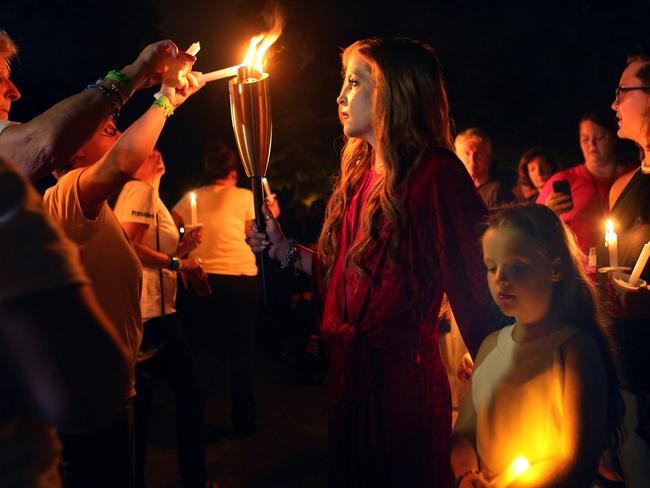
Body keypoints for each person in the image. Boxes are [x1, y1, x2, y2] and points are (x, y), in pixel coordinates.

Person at [246, 38, 495, 486]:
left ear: (395, 93)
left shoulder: (437, 175)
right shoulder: (359, 177)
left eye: (355, 82)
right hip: (349, 388)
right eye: (344, 82)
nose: (341, 96)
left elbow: (481, 284)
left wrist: (501, 375)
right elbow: (344, 276)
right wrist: (285, 251)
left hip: (404, 394)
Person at [43, 69, 202, 487]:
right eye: (106, 129)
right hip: (88, 399)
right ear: (72, 154)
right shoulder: (66, 197)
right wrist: (165, 99)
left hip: (108, 391)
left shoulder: (96, 210)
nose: (115, 133)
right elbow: (122, 161)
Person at [450, 204, 624, 487]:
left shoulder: (574, 348)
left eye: (516, 267)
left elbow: (575, 460)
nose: (500, 279)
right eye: (491, 267)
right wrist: (467, 475)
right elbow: (464, 434)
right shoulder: (490, 347)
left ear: (555, 268)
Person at [0, 155, 130, 487]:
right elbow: (85, 390)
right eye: (107, 128)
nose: (14, 97)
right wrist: (165, 102)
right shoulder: (68, 188)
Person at [113, 148, 216, 488]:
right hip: (150, 315)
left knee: (152, 405)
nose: (155, 151)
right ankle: (192, 478)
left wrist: (184, 249)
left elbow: (153, 252)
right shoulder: (139, 189)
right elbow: (129, 245)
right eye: (145, 151)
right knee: (182, 399)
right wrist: (178, 264)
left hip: (158, 311)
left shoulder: (150, 195)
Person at [0, 29, 192, 181]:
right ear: (78, 147)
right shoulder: (69, 190)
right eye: (105, 128)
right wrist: (136, 73)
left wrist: (166, 99)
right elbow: (42, 143)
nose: (15, 93)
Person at [172, 141, 271, 438]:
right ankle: (244, 421)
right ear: (232, 172)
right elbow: (252, 232)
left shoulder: (192, 198)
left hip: (203, 275)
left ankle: (194, 419)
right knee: (241, 351)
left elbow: (172, 225)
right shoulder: (243, 196)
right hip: (240, 276)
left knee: (205, 351)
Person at [607, 48, 650, 487]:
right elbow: (612, 263)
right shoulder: (623, 185)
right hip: (628, 364)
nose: (615, 104)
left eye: (624, 91)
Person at [537, 112, 628, 258]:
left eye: (599, 138)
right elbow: (532, 228)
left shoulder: (632, 177)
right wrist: (547, 213)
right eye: (585, 139)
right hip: (576, 275)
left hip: (627, 272)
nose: (592, 145)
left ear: (614, 137)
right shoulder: (564, 178)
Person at [454, 128, 514, 209]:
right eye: (466, 154)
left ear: (488, 159)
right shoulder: (456, 192)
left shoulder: (497, 192)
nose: (472, 159)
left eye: (479, 154)